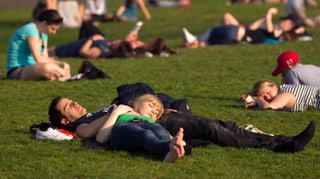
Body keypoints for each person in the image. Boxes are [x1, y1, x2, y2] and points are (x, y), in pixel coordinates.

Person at [48, 95, 186, 163]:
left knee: (159, 132)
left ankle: (170, 152)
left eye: (72, 101)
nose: (75, 103)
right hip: (125, 124)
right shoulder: (81, 123)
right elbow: (86, 132)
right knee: (146, 134)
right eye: (69, 106)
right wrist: (115, 111)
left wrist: (158, 112)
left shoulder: (94, 113)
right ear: (65, 121)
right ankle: (168, 146)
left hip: (143, 119)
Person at [6, 9, 71, 81]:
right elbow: (39, 59)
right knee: (47, 68)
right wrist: (60, 70)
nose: (54, 33)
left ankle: (49, 76)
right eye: (52, 29)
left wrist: (61, 64)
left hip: (33, 67)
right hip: (18, 70)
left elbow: (45, 58)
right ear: (44, 23)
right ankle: (48, 75)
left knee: (62, 66)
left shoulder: (43, 33)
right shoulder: (31, 29)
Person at [181, 8, 284, 48]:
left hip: (237, 31)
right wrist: (263, 18)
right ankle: (196, 44)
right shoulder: (262, 35)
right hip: (234, 40)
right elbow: (252, 27)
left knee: (212, 30)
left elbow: (268, 17)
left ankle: (195, 40)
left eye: (278, 28)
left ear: (278, 34)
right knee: (210, 42)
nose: (275, 26)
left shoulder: (271, 35)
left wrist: (271, 11)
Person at [248, 79, 320, 112]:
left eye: (268, 92)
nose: (268, 97)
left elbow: (268, 108)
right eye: (264, 97)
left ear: (274, 86)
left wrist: (258, 99)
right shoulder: (285, 88)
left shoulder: (284, 95)